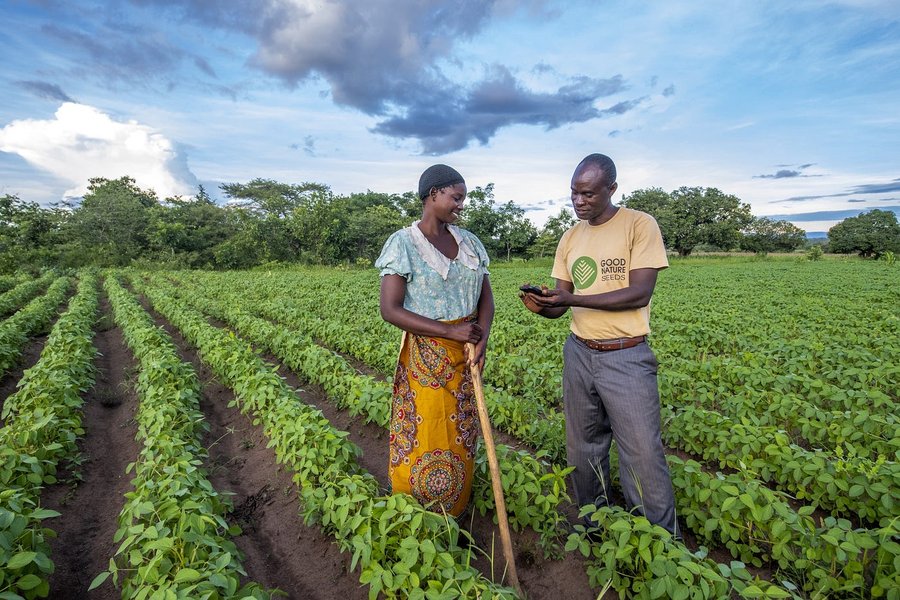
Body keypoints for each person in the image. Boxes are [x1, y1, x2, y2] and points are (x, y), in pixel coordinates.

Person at [520, 153, 677, 536]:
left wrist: (572, 299)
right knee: (583, 448)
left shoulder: (639, 224)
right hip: (579, 352)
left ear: (612, 189)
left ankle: (662, 544)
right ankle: (595, 527)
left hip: (626, 354)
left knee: (642, 453)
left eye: (588, 193)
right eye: (574, 193)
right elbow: (562, 302)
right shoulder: (571, 237)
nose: (579, 201)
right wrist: (544, 306)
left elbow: (639, 292)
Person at [376, 164, 494, 517]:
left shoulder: (470, 243)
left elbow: (486, 300)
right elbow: (390, 309)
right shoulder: (403, 244)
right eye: (456, 197)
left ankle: (455, 510)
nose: (461, 205)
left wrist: (482, 339)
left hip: (466, 352)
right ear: (433, 195)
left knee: (462, 432)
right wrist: (449, 332)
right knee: (427, 431)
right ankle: (417, 512)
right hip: (426, 357)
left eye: (463, 199)